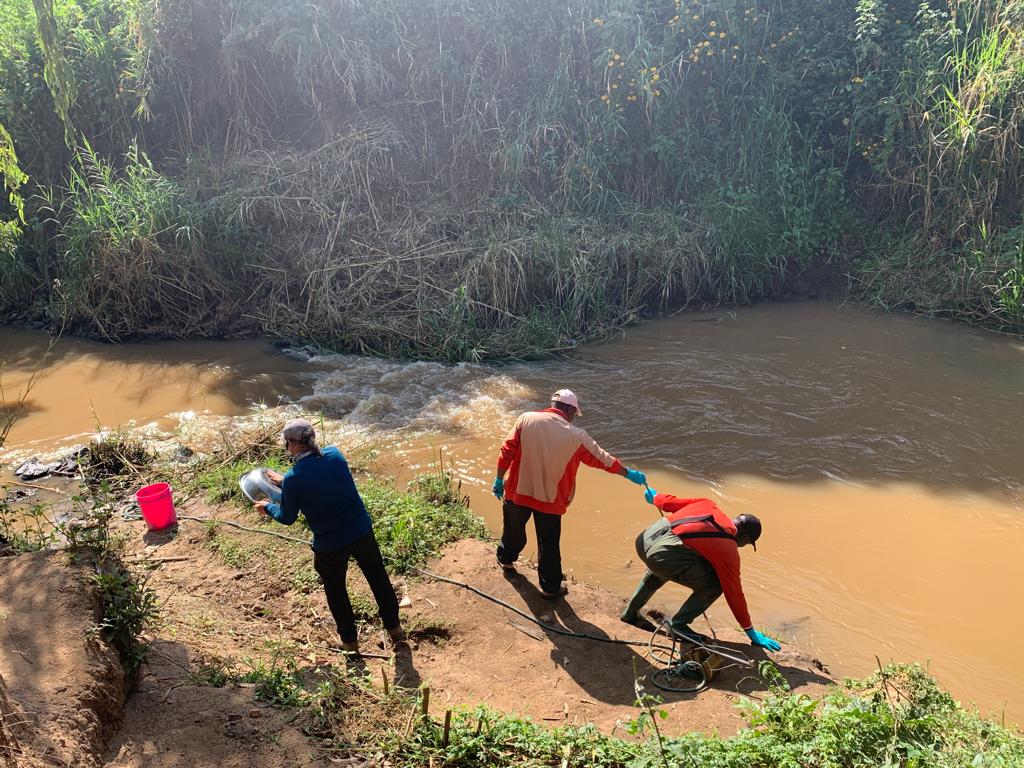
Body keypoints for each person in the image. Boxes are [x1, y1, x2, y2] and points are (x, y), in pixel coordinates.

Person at [254, 418, 404, 654]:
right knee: (378, 578)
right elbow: (322, 479)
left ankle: (350, 643)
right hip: (361, 531)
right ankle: (395, 630)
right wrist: (285, 481)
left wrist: (267, 507)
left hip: (330, 544)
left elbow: (287, 517)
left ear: (292, 444)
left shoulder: (295, 478)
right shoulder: (336, 455)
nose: (287, 448)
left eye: (286, 444)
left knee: (336, 589)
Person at [492, 388, 647, 598]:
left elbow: (506, 451)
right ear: (569, 409)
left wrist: (499, 478)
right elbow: (604, 460)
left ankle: (506, 559)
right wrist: (629, 474)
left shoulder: (525, 419)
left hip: (517, 492)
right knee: (548, 544)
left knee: (513, 530)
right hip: (550, 500)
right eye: (575, 413)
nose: (574, 417)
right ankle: (550, 588)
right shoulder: (577, 436)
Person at [620, 488, 781, 651]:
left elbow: (667, 502)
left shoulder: (707, 504)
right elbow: (733, 592)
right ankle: (679, 626)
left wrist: (654, 497)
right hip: (660, 556)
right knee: (716, 585)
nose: (742, 546)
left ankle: (630, 612)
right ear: (745, 538)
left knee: (661, 566)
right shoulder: (729, 550)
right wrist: (750, 631)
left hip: (644, 539)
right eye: (746, 544)